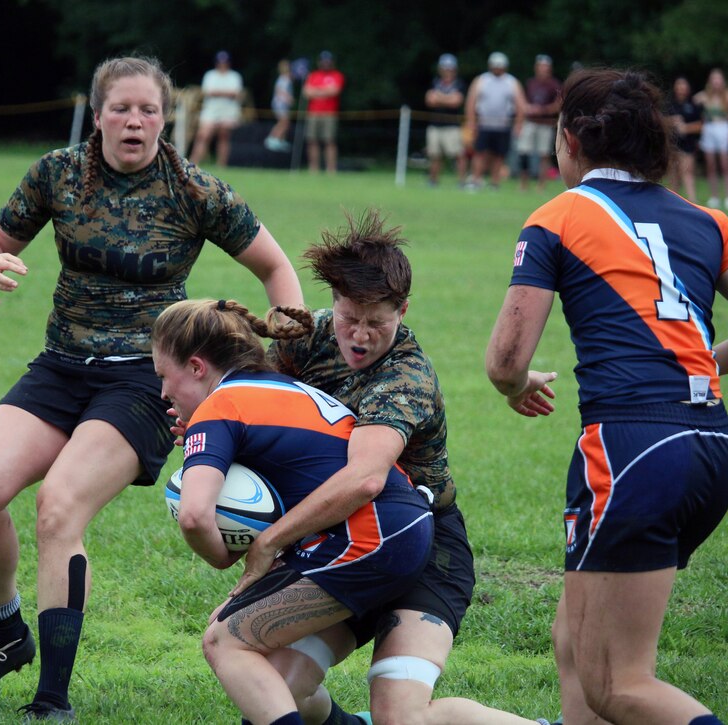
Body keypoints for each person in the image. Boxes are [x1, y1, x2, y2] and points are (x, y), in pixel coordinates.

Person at [0, 55, 302, 720]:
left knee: (59, 508)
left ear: (165, 120)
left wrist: (286, 354)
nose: (135, 121)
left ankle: (51, 698)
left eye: (149, 110)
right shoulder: (58, 172)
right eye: (121, 108)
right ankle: (6, 637)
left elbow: (275, 265)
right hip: (60, 365)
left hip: (145, 377)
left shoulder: (192, 188)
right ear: (97, 113)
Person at [486, 68, 728, 725]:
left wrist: (517, 386)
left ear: (572, 140)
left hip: (632, 449)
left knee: (620, 685)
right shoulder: (707, 219)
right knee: (573, 640)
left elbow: (505, 360)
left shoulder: (560, 214)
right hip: (712, 443)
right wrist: (698, 364)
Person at [208, 212, 543, 725]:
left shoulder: (406, 377)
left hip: (424, 544)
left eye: (376, 323)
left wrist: (270, 541)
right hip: (343, 539)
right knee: (273, 683)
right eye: (349, 318)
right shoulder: (309, 337)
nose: (360, 336)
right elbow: (258, 412)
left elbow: (365, 478)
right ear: (334, 305)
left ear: (402, 310)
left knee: (400, 717)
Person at [152, 298, 434, 725]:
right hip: (394, 527)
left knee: (224, 641)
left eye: (163, 376)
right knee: (275, 673)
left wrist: (226, 557)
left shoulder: (220, 405)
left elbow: (194, 515)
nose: (163, 393)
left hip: (368, 534)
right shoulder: (276, 385)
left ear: (195, 367)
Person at [464, 52, 526, 191]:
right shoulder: (481, 80)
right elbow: (471, 102)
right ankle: (476, 179)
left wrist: (518, 124)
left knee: (499, 154)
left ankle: (495, 182)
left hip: (502, 126)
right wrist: (471, 121)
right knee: (479, 153)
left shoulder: (511, 82)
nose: (497, 68)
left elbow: (520, 105)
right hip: (484, 124)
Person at [189, 51, 244, 168]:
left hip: (228, 111)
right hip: (211, 110)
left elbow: (236, 94)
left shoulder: (234, 76)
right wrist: (226, 93)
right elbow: (208, 92)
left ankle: (221, 165)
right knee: (203, 135)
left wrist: (218, 92)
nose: (222, 64)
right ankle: (193, 163)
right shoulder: (210, 75)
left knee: (224, 136)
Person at [517, 55, 563, 192]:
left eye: (546, 66)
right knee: (524, 152)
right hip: (529, 122)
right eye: (541, 66)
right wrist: (527, 109)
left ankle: (541, 185)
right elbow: (523, 101)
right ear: (536, 68)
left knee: (544, 154)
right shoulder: (530, 83)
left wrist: (542, 110)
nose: (543, 69)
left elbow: (558, 104)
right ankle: (523, 184)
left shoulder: (554, 84)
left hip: (545, 124)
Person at [693, 68, 728, 210]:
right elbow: (695, 99)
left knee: (725, 164)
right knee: (710, 164)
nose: (716, 82)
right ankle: (714, 196)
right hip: (709, 129)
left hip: (723, 128)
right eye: (713, 79)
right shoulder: (704, 97)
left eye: (719, 79)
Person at [423, 53, 467, 187]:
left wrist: (439, 98)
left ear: (454, 69)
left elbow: (456, 101)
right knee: (434, 155)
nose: (447, 71)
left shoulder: (459, 84)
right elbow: (429, 100)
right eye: (445, 68)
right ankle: (433, 180)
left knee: (458, 155)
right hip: (435, 125)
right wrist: (447, 98)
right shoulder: (434, 82)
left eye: (450, 68)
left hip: (452, 126)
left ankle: (461, 182)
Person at [303, 51, 345, 174]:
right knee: (312, 141)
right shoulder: (313, 75)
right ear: (319, 62)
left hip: (329, 114)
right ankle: (313, 169)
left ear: (331, 62)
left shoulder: (337, 75)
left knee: (329, 141)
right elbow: (306, 92)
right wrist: (325, 91)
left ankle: (331, 169)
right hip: (313, 113)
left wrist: (316, 91)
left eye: (328, 60)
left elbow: (334, 91)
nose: (326, 63)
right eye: (323, 60)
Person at [666, 76, 703, 203]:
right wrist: (672, 121)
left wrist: (685, 127)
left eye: (684, 85)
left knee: (687, 172)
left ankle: (692, 201)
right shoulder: (669, 104)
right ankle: (671, 202)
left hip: (687, 145)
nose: (681, 88)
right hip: (672, 144)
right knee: (673, 175)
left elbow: (700, 125)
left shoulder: (693, 105)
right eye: (679, 85)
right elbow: (660, 121)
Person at [265, 59, 295, 153]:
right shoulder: (282, 79)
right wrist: (288, 98)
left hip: (283, 104)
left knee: (285, 123)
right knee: (284, 122)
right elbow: (279, 91)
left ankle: (280, 139)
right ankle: (273, 139)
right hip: (280, 104)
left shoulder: (286, 78)